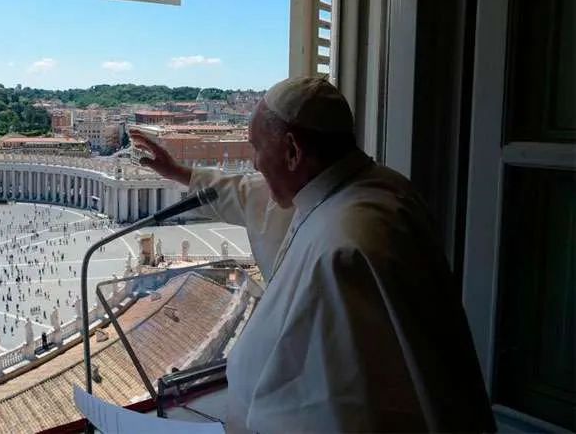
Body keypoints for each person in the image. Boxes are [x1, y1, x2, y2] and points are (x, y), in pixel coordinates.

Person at [129, 77, 495, 433]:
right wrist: (178, 172)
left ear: (292, 150)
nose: (254, 163)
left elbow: (335, 407)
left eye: (256, 148)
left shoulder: (346, 247)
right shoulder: (367, 187)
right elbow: (248, 191)